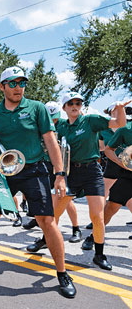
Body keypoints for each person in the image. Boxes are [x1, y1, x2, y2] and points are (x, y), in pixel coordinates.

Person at [0, 66, 76, 299]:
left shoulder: (37, 108)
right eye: (12, 83)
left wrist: (60, 173)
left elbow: (50, 140)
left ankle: (62, 273)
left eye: (22, 83)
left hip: (34, 169)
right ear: (2, 87)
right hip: (4, 172)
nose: (18, 88)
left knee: (47, 220)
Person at [52, 92, 129, 270]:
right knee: (54, 214)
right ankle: (45, 239)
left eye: (78, 102)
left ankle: (99, 255)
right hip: (70, 173)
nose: (75, 105)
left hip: (92, 171)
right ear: (64, 107)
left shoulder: (91, 120)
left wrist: (120, 109)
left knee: (97, 216)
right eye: (70, 103)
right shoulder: (61, 126)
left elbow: (120, 124)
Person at [25, 101, 82, 250]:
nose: (53, 121)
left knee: (66, 199)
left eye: (55, 118)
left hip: (60, 166)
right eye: (51, 118)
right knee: (46, 198)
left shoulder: (64, 124)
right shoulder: (40, 124)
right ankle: (43, 229)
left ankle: (76, 228)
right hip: (44, 164)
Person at [103, 121, 132, 237]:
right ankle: (94, 235)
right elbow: (108, 149)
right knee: (112, 206)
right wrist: (121, 163)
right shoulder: (125, 129)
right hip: (128, 175)